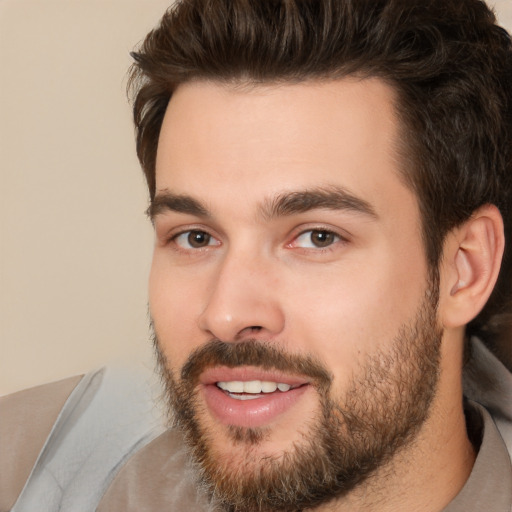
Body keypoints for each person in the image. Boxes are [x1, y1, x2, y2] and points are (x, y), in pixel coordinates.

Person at [1, 0, 511, 511]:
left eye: (316, 237)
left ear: (465, 268)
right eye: (195, 237)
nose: (226, 314)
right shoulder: (27, 470)